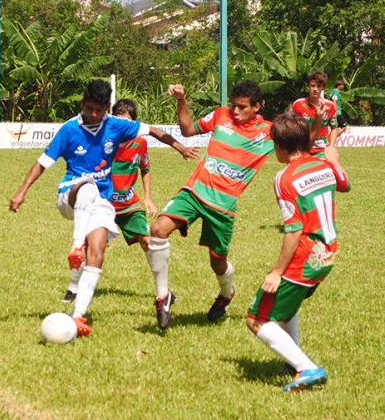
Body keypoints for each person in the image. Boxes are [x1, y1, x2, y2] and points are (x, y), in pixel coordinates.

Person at [9, 80, 195, 336]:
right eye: (89, 108)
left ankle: (77, 316)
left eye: (99, 110)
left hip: (102, 203)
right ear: (82, 104)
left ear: (106, 107)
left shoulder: (115, 125)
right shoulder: (69, 130)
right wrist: (22, 191)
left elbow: (151, 130)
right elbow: (42, 163)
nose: (94, 114)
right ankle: (76, 246)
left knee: (96, 254)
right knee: (88, 187)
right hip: (70, 195)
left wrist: (179, 147)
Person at [148, 80, 274, 330]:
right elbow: (187, 130)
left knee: (217, 262)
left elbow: (302, 140)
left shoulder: (269, 131)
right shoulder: (221, 115)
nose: (236, 111)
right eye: (234, 106)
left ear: (257, 107)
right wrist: (181, 100)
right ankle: (163, 296)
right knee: (158, 230)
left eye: (243, 107)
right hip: (195, 192)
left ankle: (226, 293)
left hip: (223, 207)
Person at [246, 113, 350, 392]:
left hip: (305, 254)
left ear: (278, 145)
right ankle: (294, 361)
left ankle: (307, 367)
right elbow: (345, 184)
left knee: (256, 319)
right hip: (328, 252)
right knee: (286, 308)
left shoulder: (284, 178)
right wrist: (333, 155)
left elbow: (293, 230)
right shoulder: (323, 165)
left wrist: (276, 272)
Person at [62, 98, 199, 304]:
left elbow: (145, 169)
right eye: (119, 119)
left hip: (129, 204)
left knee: (148, 241)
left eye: (127, 121)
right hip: (102, 203)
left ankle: (163, 291)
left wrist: (148, 198)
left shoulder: (140, 144)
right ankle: (74, 288)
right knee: (91, 248)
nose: (123, 125)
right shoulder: (104, 141)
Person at [291, 71, 340, 157]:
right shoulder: (298, 104)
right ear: (308, 87)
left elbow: (334, 128)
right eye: (313, 86)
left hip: (321, 150)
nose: (315, 89)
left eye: (318, 86)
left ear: (323, 88)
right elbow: (289, 125)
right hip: (302, 149)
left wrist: (331, 146)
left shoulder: (330, 106)